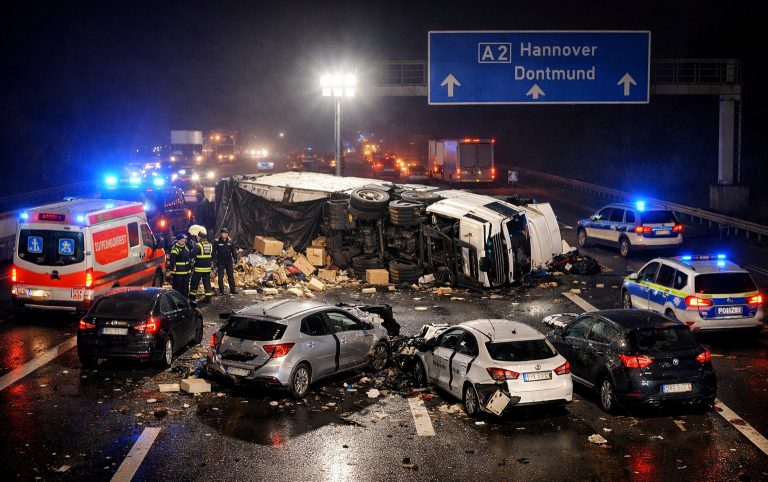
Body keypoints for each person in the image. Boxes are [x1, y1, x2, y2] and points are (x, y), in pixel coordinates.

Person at [189, 228, 214, 303]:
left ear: (199, 237)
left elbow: (192, 255)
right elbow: (212, 256)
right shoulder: (210, 245)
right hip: (207, 268)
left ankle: (192, 298)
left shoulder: (198, 245)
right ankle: (208, 298)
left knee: (194, 283)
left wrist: (191, 248)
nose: (196, 238)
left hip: (199, 268)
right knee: (207, 283)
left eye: (197, 237)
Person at [213, 227, 237, 295]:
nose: (225, 235)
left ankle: (233, 290)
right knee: (221, 276)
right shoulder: (217, 241)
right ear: (221, 234)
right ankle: (221, 291)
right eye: (224, 233)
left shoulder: (230, 240)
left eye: (226, 233)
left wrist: (235, 258)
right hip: (220, 261)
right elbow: (214, 251)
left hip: (228, 261)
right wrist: (215, 259)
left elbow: (233, 250)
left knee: (230, 275)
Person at [169, 233, 191, 297]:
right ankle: (177, 301)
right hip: (178, 272)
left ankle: (185, 300)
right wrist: (173, 269)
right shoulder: (175, 248)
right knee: (178, 287)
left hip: (186, 271)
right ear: (178, 240)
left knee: (186, 287)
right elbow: (172, 260)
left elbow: (191, 249)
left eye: (184, 239)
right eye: (182, 239)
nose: (184, 241)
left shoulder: (186, 247)